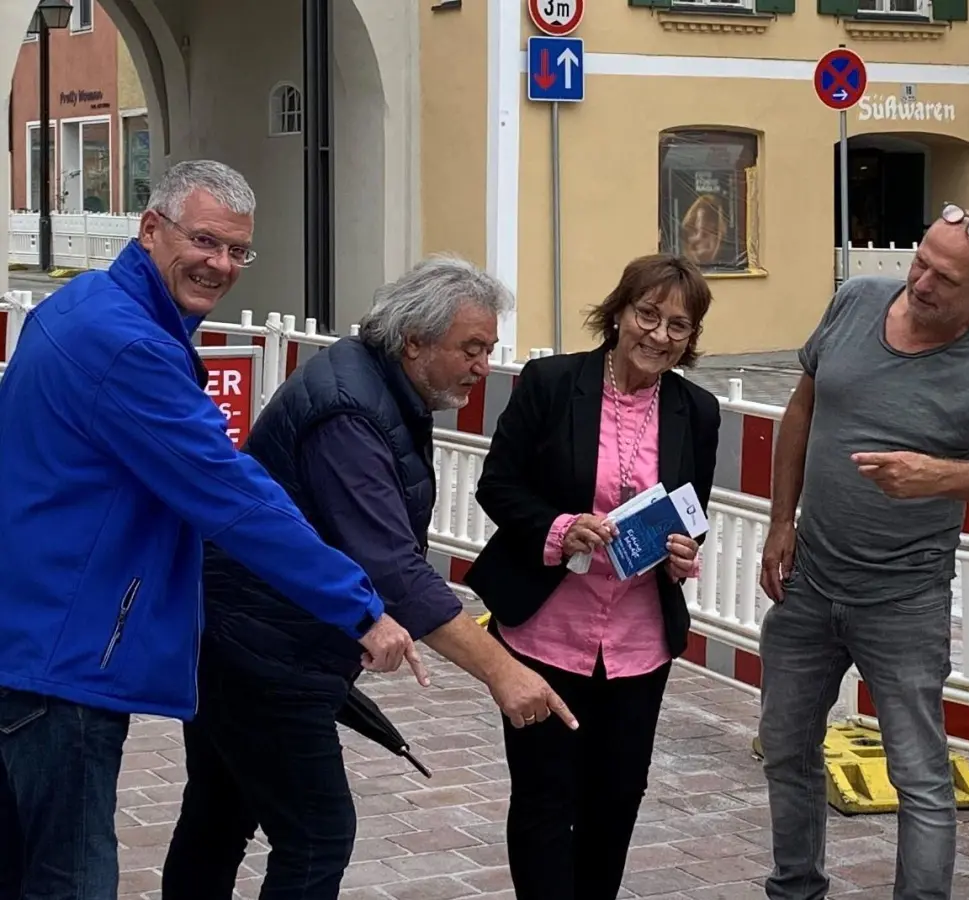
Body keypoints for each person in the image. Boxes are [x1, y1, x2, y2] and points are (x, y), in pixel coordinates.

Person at [0, 160, 419, 899]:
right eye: (204, 240)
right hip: (57, 656)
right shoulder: (129, 344)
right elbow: (231, 496)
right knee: (67, 881)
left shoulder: (87, 305)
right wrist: (357, 604)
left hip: (33, 625)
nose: (221, 264)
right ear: (151, 229)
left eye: (236, 250)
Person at [158, 255, 578, 898]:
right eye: (470, 348)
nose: (482, 365)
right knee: (317, 834)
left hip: (245, 634)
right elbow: (393, 569)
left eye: (489, 348)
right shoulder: (349, 410)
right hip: (264, 650)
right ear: (413, 341)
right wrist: (503, 671)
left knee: (220, 813)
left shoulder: (380, 386)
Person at [758, 204, 969, 900]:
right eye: (920, 260)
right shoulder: (857, 299)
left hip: (904, 599)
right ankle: (794, 888)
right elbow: (803, 407)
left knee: (918, 774)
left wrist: (940, 475)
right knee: (786, 748)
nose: (920, 282)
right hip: (810, 579)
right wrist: (780, 524)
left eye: (944, 278)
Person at [464, 253, 721, 900]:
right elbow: (498, 485)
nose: (660, 335)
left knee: (614, 805)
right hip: (545, 634)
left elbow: (692, 515)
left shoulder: (698, 411)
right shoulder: (552, 384)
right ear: (619, 312)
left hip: (638, 647)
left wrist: (682, 554)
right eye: (648, 315)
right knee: (544, 807)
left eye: (679, 326)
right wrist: (558, 528)